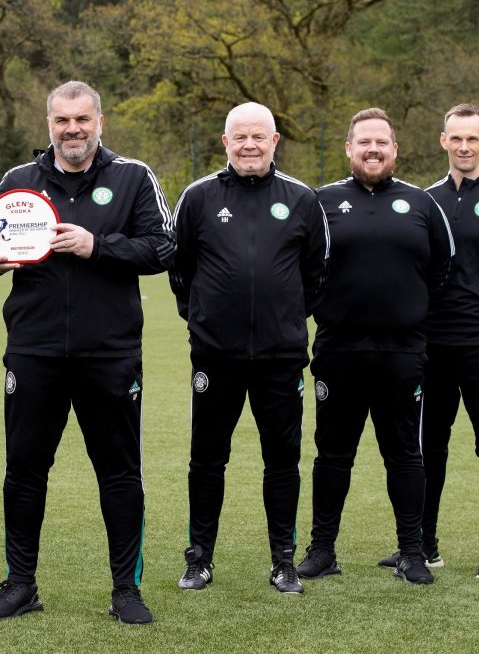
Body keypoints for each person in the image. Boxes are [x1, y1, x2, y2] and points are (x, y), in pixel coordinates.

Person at [0, 81, 174, 624]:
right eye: (63, 120)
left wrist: (97, 246)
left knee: (119, 473)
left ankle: (125, 591)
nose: (73, 129)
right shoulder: (20, 181)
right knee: (23, 472)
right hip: (34, 352)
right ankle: (20, 585)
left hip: (109, 355)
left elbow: (163, 247)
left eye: (82, 119)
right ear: (49, 125)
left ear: (99, 122)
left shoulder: (133, 177)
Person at [168, 102, 328, 595]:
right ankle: (200, 559)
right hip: (216, 356)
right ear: (225, 142)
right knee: (206, 459)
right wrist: (204, 319)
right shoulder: (197, 197)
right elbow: (180, 269)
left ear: (275, 141)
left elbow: (316, 275)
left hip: (281, 358)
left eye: (259, 137)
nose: (250, 145)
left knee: (281, 460)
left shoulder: (301, 199)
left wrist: (282, 320)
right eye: (240, 137)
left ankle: (283, 561)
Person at [298, 107, 453, 585]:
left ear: (394, 149)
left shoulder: (423, 205)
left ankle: (411, 552)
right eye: (363, 142)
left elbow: (442, 271)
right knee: (332, 455)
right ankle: (322, 550)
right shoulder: (320, 201)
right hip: (338, 351)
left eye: (381, 142)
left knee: (405, 454)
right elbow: (302, 269)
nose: (372, 149)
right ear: (348, 149)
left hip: (401, 354)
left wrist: (408, 311)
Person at [375, 104, 479, 581]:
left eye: (472, 139)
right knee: (427, 448)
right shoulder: (426, 200)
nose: (464, 147)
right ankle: (425, 545)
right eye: (455, 139)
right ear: (443, 141)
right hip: (432, 346)